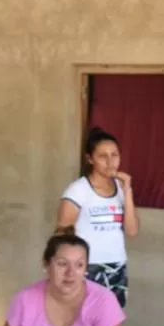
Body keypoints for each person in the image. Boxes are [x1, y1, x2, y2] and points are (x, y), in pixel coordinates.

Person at [57, 126, 139, 311]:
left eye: (115, 155)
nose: (110, 162)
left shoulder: (120, 188)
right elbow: (62, 232)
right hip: (87, 267)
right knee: (84, 323)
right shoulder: (78, 190)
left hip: (117, 265)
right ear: (89, 159)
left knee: (111, 322)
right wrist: (70, 270)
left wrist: (127, 191)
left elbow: (132, 231)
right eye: (103, 156)